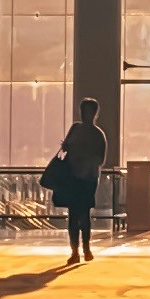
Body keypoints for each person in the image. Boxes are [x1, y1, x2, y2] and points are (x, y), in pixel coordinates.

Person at [50, 97, 109, 263]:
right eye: (84, 111)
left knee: (79, 214)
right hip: (82, 178)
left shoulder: (87, 132)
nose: (85, 115)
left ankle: (81, 249)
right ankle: (79, 250)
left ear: (94, 113)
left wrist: (77, 155)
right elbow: (100, 160)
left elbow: (99, 159)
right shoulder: (95, 134)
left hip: (83, 178)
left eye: (88, 112)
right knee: (78, 214)